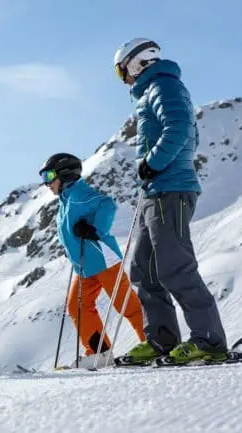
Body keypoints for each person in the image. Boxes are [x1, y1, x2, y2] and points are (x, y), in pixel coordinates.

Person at [113, 38, 228, 364]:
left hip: (171, 189)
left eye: (123, 72)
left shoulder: (164, 85)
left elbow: (179, 128)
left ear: (136, 64)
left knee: (175, 267)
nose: (125, 80)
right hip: (156, 191)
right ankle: (162, 339)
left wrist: (155, 161)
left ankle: (209, 341)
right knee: (144, 270)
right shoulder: (153, 92)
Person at [39, 153, 146, 368]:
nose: (46, 183)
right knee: (77, 306)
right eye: (44, 177)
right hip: (84, 266)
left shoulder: (79, 193)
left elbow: (108, 204)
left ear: (64, 173)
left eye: (49, 175)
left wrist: (95, 229)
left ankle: (155, 341)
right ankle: (100, 353)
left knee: (126, 304)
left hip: (103, 259)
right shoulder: (66, 199)